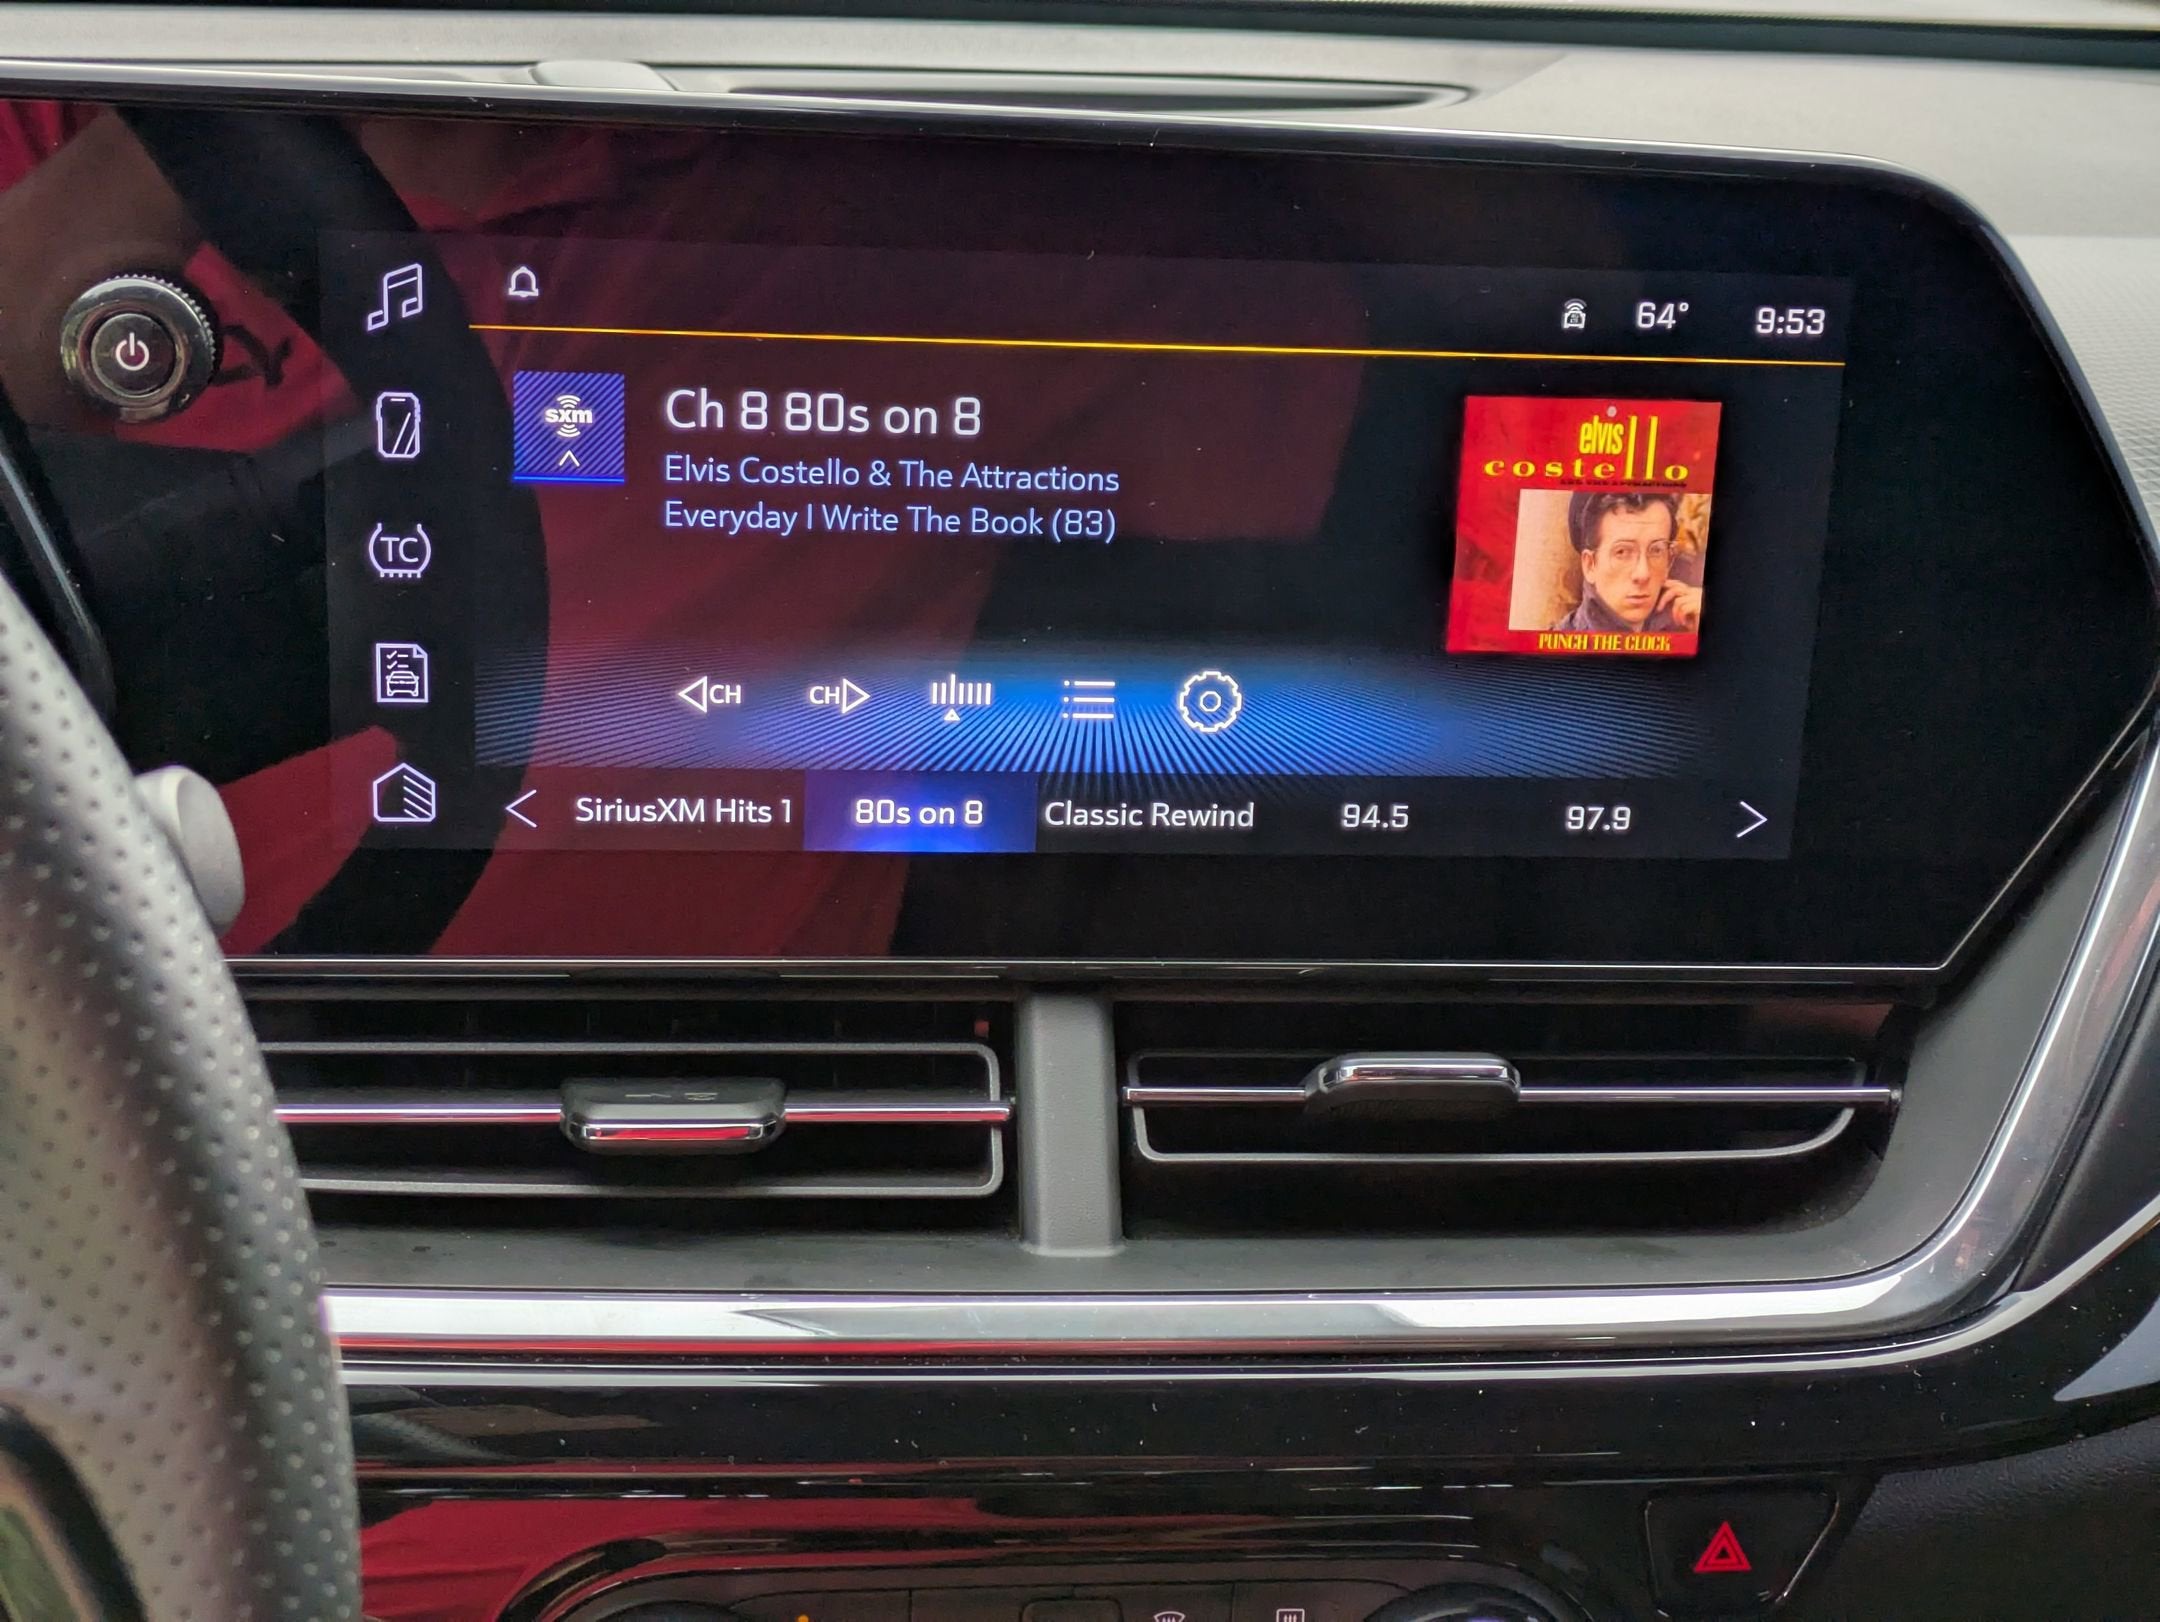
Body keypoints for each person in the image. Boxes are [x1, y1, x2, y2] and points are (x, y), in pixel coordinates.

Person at [1549, 489, 1703, 635]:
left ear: (1669, 561)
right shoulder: (1558, 646)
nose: (1643, 574)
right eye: (1622, 552)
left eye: (1656, 550)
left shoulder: (1687, 625)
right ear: (1590, 565)